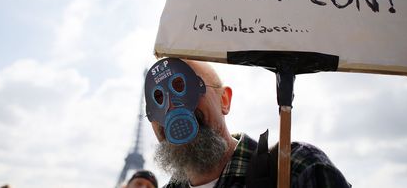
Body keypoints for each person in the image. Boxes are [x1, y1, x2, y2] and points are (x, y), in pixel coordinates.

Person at [144, 58, 351, 188]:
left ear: (224, 100)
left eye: (183, 87)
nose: (172, 108)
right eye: (158, 99)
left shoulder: (295, 168)